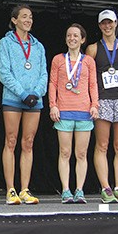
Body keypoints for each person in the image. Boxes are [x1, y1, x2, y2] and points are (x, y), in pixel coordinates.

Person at [0, 5, 48, 205]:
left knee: (28, 143)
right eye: (24, 16)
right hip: (13, 98)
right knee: (11, 141)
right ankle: (10, 189)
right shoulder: (5, 43)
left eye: (31, 17)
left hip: (35, 99)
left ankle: (24, 189)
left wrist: (36, 93)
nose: (28, 20)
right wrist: (23, 93)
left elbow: (44, 73)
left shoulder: (39, 46)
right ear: (14, 20)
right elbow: (4, 72)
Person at [85, 9, 118, 203]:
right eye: (103, 23)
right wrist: (94, 101)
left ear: (116, 24)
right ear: (99, 26)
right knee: (102, 144)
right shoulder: (93, 49)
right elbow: (90, 77)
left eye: (110, 22)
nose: (107, 26)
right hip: (102, 99)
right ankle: (106, 187)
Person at [49, 23, 99, 204]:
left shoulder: (88, 61)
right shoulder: (57, 60)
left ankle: (79, 190)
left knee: (81, 154)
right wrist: (53, 105)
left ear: (82, 39)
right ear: (66, 39)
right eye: (69, 35)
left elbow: (93, 85)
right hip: (63, 112)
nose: (72, 38)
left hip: (84, 112)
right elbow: (52, 83)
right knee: (64, 152)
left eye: (76, 36)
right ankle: (65, 190)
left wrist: (95, 105)